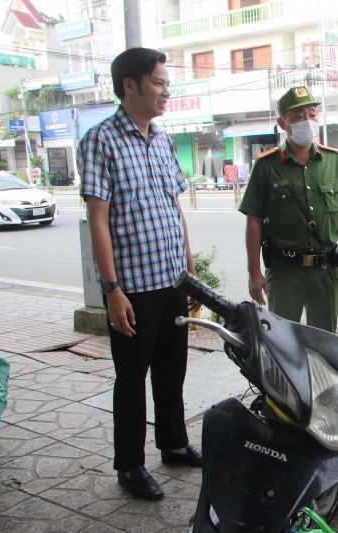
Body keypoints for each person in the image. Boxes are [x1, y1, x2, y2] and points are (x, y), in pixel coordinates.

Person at [77, 47, 202, 501]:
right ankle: (129, 465)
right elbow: (98, 219)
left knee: (172, 371)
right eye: (158, 83)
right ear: (129, 85)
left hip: (171, 283)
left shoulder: (164, 139)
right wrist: (111, 289)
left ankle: (172, 444)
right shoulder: (101, 140)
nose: (166, 91)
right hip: (132, 289)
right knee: (131, 381)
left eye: (168, 83)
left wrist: (189, 270)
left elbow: (174, 207)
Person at [239, 86, 338, 333]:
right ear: (283, 124)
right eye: (298, 116)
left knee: (324, 341)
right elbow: (254, 220)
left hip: (324, 271)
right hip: (284, 272)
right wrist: (254, 273)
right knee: (283, 343)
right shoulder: (266, 166)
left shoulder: (334, 161)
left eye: (312, 114)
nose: (307, 121)